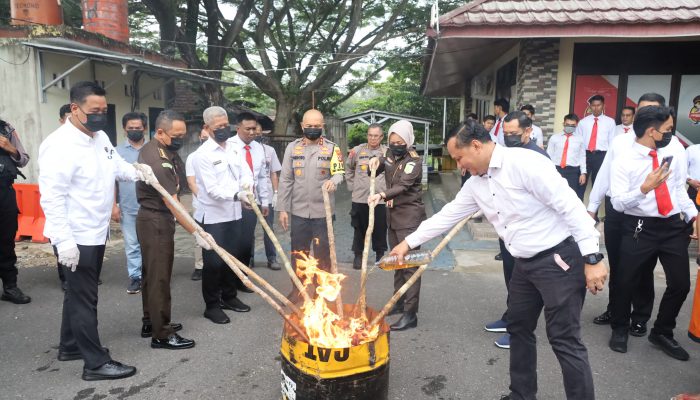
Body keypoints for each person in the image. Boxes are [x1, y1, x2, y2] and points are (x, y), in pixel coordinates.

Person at [390, 119, 607, 400]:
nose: (459, 166)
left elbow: (570, 207)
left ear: (477, 146)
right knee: (518, 329)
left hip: (558, 260)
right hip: (523, 265)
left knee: (564, 339)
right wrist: (407, 243)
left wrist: (592, 257)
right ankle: (521, 394)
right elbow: (448, 215)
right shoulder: (476, 184)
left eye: (460, 158)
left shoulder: (525, 164)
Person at [39, 81, 148, 380]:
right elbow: (52, 197)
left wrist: (140, 172)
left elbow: (117, 167)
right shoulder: (58, 146)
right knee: (85, 298)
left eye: (104, 110)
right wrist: (64, 242)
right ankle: (95, 363)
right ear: (75, 109)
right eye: (94, 111)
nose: (101, 116)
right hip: (76, 236)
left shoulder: (99, 137)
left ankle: (70, 346)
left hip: (96, 230)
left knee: (78, 294)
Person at [608, 105, 697, 361]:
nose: (671, 134)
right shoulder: (624, 161)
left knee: (681, 284)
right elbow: (618, 203)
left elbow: (679, 189)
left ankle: (662, 331)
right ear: (652, 131)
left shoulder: (671, 154)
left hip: (671, 227)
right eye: (668, 129)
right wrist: (644, 189)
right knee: (625, 281)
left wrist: (693, 214)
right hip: (639, 227)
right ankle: (620, 328)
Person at [587, 93, 668, 331]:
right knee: (619, 263)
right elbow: (604, 175)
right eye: (642, 110)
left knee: (644, 267)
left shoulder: (667, 145)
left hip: (647, 213)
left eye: (653, 110)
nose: (647, 115)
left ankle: (640, 317)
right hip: (617, 210)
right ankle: (615, 310)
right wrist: (592, 206)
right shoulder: (620, 141)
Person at [136, 109, 210, 349]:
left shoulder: (162, 149)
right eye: (176, 135)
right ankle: (162, 334)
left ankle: (151, 320)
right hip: (156, 220)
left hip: (155, 218)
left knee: (152, 274)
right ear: (160, 132)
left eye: (183, 134)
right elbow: (172, 201)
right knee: (159, 278)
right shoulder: (158, 160)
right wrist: (196, 232)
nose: (180, 139)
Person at [485, 111, 550, 349]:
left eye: (515, 134)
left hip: (530, 232)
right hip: (509, 228)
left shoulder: (538, 157)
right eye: (506, 133)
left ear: (528, 132)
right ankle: (510, 316)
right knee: (510, 275)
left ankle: (519, 329)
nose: (510, 137)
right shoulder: (508, 153)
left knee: (525, 284)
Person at [194, 106, 253, 324]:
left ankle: (229, 297)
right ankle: (211, 305)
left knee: (233, 258)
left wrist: (247, 187)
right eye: (218, 127)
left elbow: (245, 173)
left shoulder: (234, 148)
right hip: (214, 217)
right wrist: (239, 195)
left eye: (225, 125)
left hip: (234, 213)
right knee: (214, 263)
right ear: (207, 128)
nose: (223, 130)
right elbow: (212, 190)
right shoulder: (202, 155)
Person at [277, 109, 344, 295]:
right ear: (302, 126)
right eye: (309, 126)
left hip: (323, 213)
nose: (313, 129)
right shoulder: (292, 148)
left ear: (322, 126)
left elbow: (339, 172)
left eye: (317, 126)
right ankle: (298, 289)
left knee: (323, 255)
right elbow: (286, 180)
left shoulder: (332, 148)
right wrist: (282, 209)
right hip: (299, 212)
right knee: (299, 253)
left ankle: (322, 292)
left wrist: (334, 181)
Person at [367, 120, 426, 331]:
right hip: (393, 217)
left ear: (408, 141)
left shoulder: (414, 161)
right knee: (396, 263)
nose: (396, 145)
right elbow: (377, 167)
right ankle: (398, 302)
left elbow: (403, 185)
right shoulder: (390, 156)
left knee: (409, 266)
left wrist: (381, 195)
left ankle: (411, 314)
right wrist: (373, 163)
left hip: (409, 219)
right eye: (392, 141)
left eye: (400, 141)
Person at [230, 112, 270, 274]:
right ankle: (230, 276)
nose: (252, 132)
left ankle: (244, 276)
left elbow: (262, 177)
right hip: (232, 201)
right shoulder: (228, 146)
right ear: (238, 128)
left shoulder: (258, 148)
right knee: (233, 240)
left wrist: (265, 201)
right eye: (248, 129)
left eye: (254, 128)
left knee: (247, 239)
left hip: (252, 201)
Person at [113, 112, 147, 294]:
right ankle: (136, 277)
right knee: (132, 244)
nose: (134, 131)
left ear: (145, 129)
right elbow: (112, 181)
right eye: (131, 128)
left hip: (151, 207)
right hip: (128, 207)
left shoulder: (153, 149)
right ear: (124, 129)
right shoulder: (116, 152)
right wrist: (114, 206)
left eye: (138, 128)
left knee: (150, 244)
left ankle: (151, 275)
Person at [346, 123, 388, 269]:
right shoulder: (357, 151)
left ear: (381, 137)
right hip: (360, 199)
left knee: (380, 228)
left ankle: (380, 256)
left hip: (380, 200)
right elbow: (349, 168)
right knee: (359, 228)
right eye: (370, 135)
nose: (373, 138)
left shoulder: (387, 153)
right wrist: (352, 186)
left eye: (376, 136)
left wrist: (388, 194)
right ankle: (358, 255)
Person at [0, 117, 31, 304]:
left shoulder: (6, 129)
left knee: (6, 240)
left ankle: (10, 287)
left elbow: (24, 159)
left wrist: (9, 147)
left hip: (3, 192)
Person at [255, 122, 283, 270]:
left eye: (259, 131)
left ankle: (272, 258)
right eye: (254, 131)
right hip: (250, 196)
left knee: (268, 228)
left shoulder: (270, 150)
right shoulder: (241, 151)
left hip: (267, 194)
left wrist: (276, 193)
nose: (256, 133)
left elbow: (274, 173)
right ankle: (249, 259)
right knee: (248, 230)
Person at [576, 94, 616, 187]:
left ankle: (594, 202)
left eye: (599, 105)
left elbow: (611, 142)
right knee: (581, 183)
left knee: (598, 185)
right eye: (593, 105)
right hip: (585, 155)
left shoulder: (610, 122)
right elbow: (578, 141)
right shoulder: (583, 122)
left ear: (603, 106)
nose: (596, 108)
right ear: (590, 107)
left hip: (601, 156)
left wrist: (609, 159)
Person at [186, 127, 209, 281]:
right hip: (200, 204)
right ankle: (199, 266)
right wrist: (203, 199)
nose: (206, 140)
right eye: (203, 137)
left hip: (220, 206)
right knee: (200, 236)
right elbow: (191, 182)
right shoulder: (192, 157)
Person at [546, 113, 587, 200]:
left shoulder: (580, 139)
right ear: (563, 124)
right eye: (567, 125)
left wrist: (583, 173)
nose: (570, 127)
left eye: (573, 125)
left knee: (570, 196)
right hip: (556, 170)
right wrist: (548, 171)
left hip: (572, 171)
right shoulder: (554, 138)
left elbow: (582, 157)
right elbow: (549, 155)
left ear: (576, 125)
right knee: (554, 195)